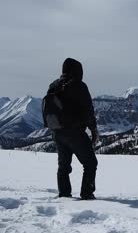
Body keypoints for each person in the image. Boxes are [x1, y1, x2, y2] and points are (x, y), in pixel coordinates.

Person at [47, 58, 99, 200]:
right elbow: (88, 110)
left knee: (63, 166)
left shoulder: (53, 85)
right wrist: (94, 130)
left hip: (57, 132)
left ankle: (64, 194)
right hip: (75, 132)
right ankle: (87, 193)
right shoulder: (79, 86)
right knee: (90, 163)